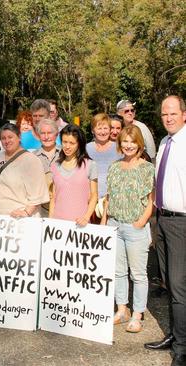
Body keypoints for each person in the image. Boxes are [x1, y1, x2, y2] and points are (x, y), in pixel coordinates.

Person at [101, 125, 154, 334]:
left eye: (132, 141)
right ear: (120, 143)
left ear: (139, 143)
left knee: (139, 274)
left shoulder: (146, 168)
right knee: (118, 271)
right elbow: (108, 198)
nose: (128, 145)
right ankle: (122, 309)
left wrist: (141, 222)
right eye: (125, 141)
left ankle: (137, 314)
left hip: (135, 227)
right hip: (114, 224)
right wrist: (105, 222)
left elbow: (151, 201)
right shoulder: (114, 167)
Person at [145, 96, 186, 362]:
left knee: (179, 285)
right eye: (163, 114)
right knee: (168, 283)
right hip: (162, 219)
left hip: (182, 222)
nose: (168, 118)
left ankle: (182, 349)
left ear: (184, 114)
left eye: (172, 113)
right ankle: (175, 334)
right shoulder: (164, 142)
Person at [0, 123, 49, 217]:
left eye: (10, 137)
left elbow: (37, 194)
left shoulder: (31, 160)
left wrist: (26, 212)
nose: (7, 141)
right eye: (3, 138)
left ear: (19, 137)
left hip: (19, 220)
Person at [48, 124, 97, 225]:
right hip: (57, 223)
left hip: (80, 224)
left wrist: (86, 217)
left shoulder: (90, 165)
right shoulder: (55, 166)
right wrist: (50, 220)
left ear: (79, 144)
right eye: (64, 142)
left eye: (72, 143)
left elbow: (94, 195)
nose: (67, 146)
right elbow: (54, 197)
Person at [86, 114, 122, 204]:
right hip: (90, 199)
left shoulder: (119, 149)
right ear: (92, 131)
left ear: (109, 130)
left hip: (113, 199)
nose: (103, 132)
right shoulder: (86, 149)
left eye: (105, 128)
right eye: (99, 128)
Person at [33, 118, 61, 217]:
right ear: (38, 136)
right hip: (40, 209)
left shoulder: (65, 154)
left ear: (56, 134)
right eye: (43, 133)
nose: (46, 137)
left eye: (49, 133)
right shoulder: (32, 157)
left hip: (63, 207)